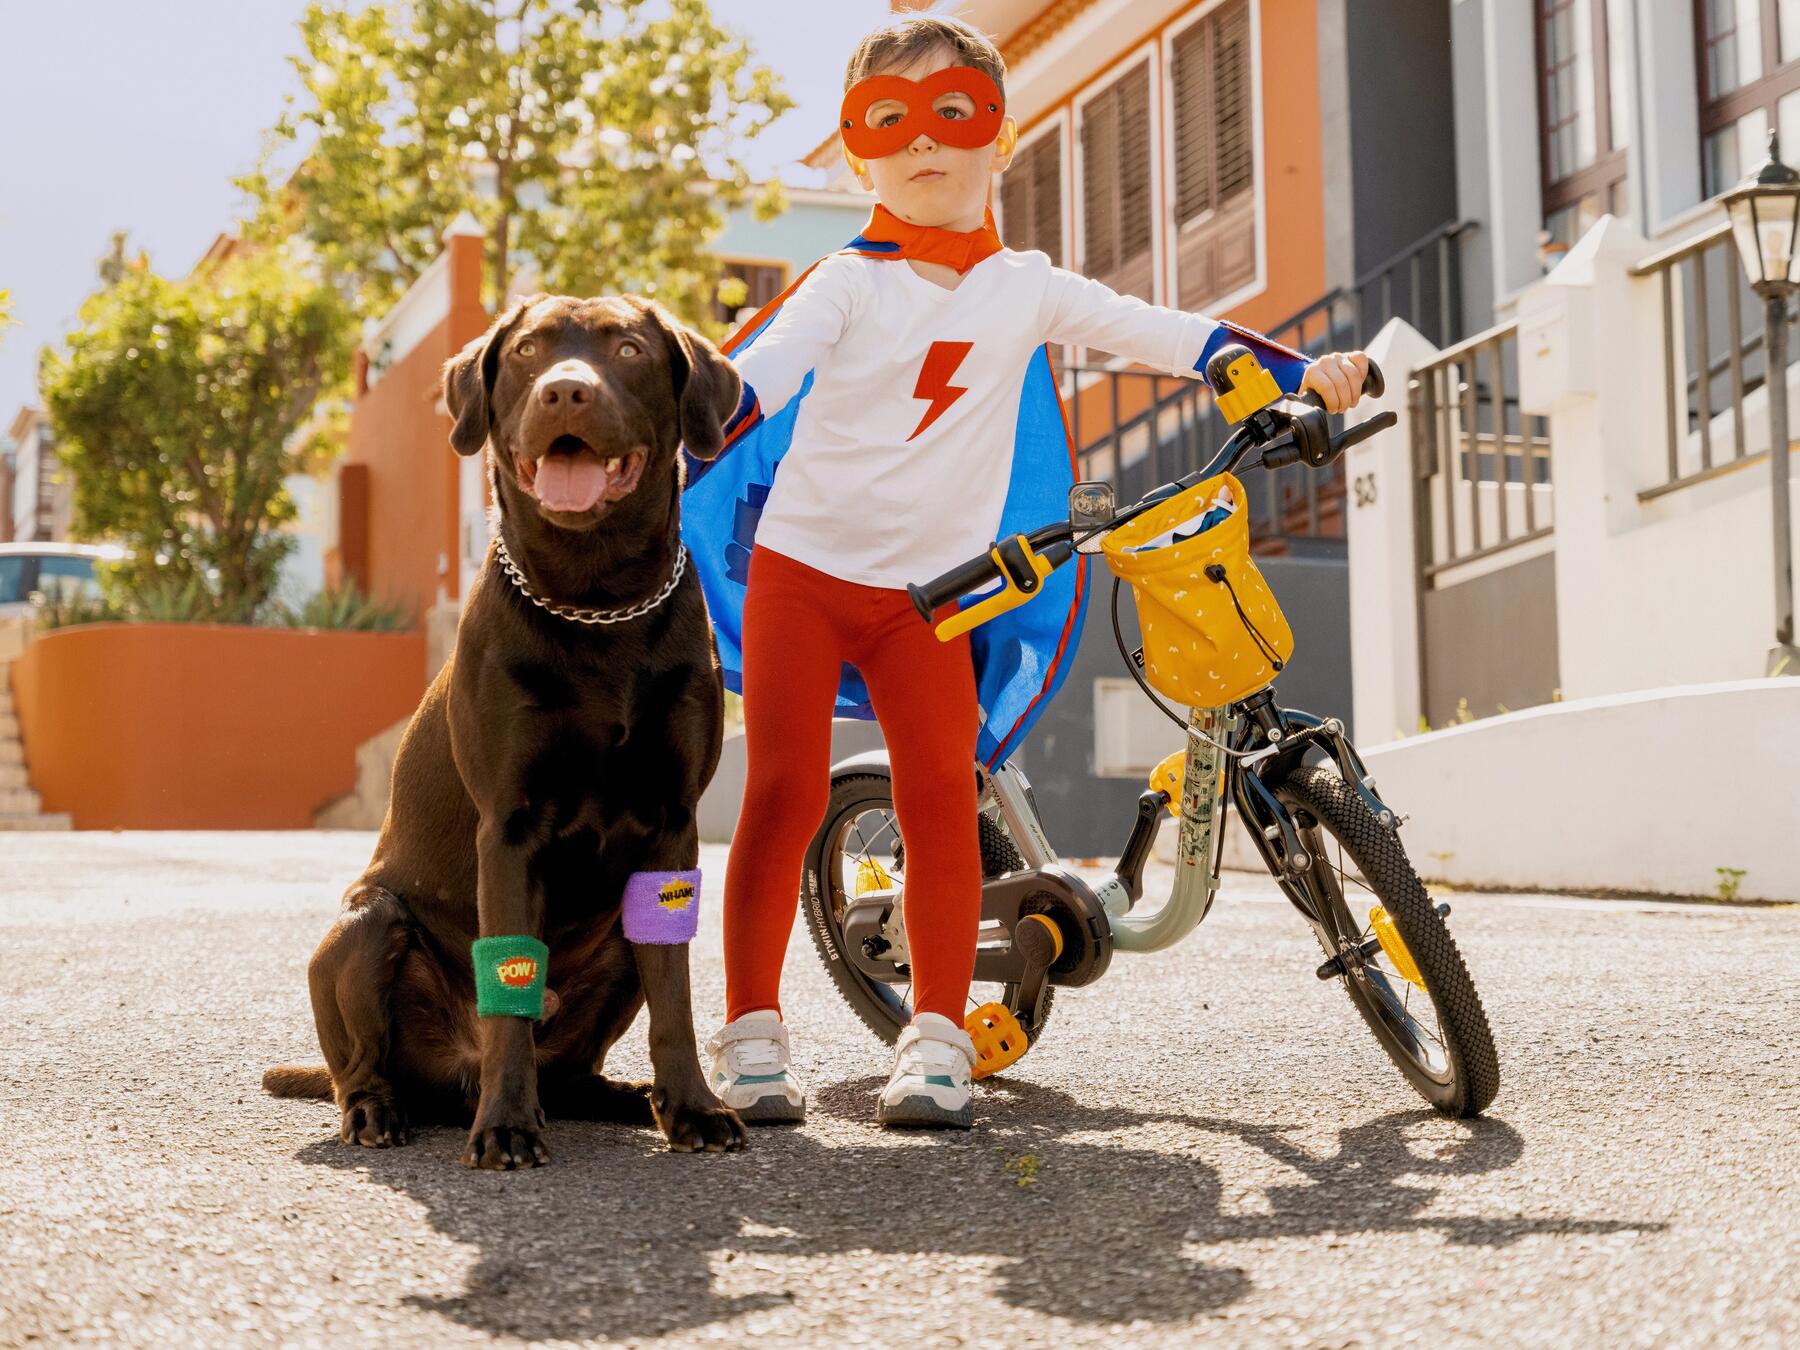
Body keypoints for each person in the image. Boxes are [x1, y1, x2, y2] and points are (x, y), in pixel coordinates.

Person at [686, 13, 1371, 1130]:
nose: (924, 144)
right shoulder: (843, 284)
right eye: (889, 122)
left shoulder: (1030, 286)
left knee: (939, 800)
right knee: (784, 790)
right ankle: (752, 1031)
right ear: (858, 149)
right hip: (801, 579)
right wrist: (677, 418)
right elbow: (753, 378)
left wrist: (1309, 373)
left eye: (953, 114)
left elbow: (1177, 337)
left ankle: (940, 1038)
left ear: (1001, 138)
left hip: (933, 600)